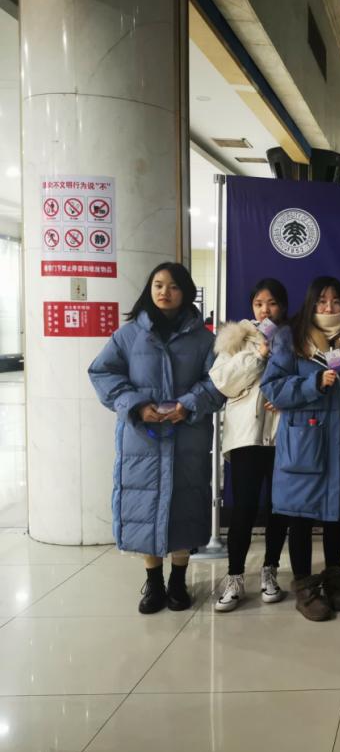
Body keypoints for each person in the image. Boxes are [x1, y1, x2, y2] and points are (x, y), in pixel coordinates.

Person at [88, 262, 223, 614]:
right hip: (142, 439)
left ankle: (178, 581)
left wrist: (188, 404)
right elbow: (102, 373)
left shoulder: (205, 339)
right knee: (144, 505)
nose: (165, 292)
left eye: (174, 286)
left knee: (184, 505)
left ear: (186, 292)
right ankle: (153, 582)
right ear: (149, 288)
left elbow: (218, 383)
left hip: (187, 435)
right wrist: (136, 405)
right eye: (158, 284)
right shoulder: (128, 335)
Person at [261, 276, 340, 622]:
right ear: (310, 303)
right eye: (321, 300)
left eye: (336, 301)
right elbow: (272, 387)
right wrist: (313, 383)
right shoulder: (290, 337)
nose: (328, 307)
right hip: (303, 440)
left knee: (335, 517)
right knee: (300, 518)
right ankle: (305, 590)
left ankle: (335, 582)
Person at [209, 278, 291, 612]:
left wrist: (286, 397)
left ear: (282, 307)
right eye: (259, 304)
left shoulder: (294, 337)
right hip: (246, 435)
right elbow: (224, 382)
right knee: (243, 507)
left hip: (284, 435)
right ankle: (235, 577)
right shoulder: (236, 338)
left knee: (279, 507)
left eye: (271, 303)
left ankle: (270, 571)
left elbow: (302, 380)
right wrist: (258, 354)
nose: (265, 310)